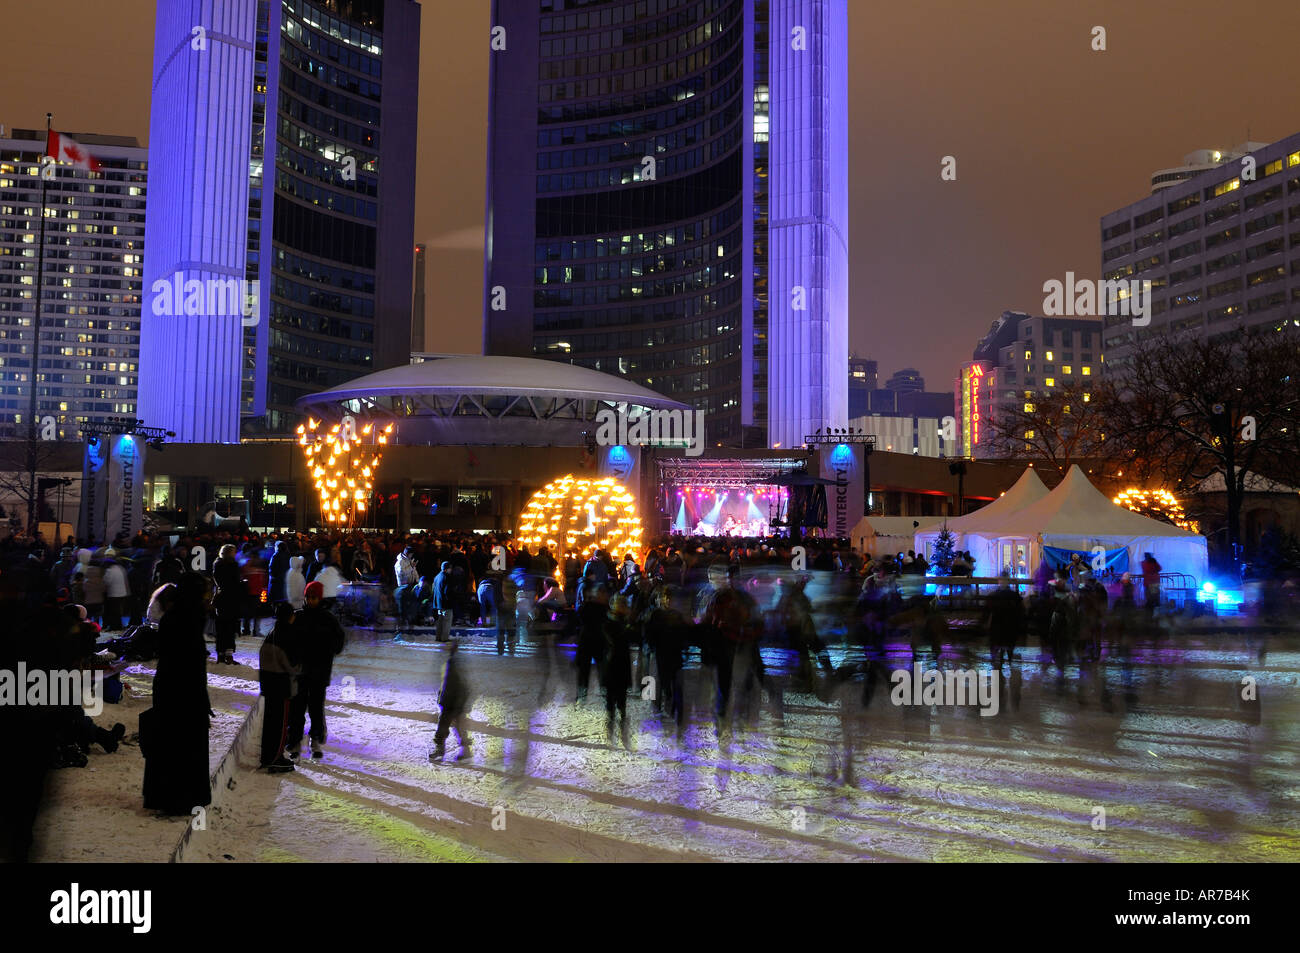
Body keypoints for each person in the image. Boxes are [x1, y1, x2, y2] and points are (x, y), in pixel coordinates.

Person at [141, 572, 213, 815]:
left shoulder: (182, 616)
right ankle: (178, 799)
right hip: (183, 692)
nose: (207, 599)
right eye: (204, 594)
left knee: (174, 745)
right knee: (181, 745)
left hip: (174, 689)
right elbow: (188, 662)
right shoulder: (186, 618)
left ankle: (173, 797)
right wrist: (200, 697)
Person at [286, 581, 346, 759]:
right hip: (300, 671)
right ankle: (295, 739)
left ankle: (316, 738)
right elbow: (289, 640)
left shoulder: (328, 619)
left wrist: (329, 650)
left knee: (316, 707)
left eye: (314, 597)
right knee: (297, 706)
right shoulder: (298, 617)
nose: (310, 600)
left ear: (319, 598)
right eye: (308, 597)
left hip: (319, 671)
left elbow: (339, 640)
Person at [258, 602, 300, 773]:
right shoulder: (288, 634)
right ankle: (276, 758)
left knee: (270, 723)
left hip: (268, 684)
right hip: (281, 685)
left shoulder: (272, 633)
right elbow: (293, 664)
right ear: (291, 616)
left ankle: (268, 756)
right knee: (280, 724)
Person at [430, 639, 472, 761]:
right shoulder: (452, 661)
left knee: (444, 726)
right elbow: (446, 682)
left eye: (448, 646)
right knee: (457, 726)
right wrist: (441, 695)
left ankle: (441, 750)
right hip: (450, 700)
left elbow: (458, 684)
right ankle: (464, 751)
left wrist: (457, 702)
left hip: (452, 702)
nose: (444, 648)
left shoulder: (454, 663)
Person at [602, 593, 634, 747]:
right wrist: (627, 626)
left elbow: (635, 637)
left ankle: (623, 733)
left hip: (623, 666)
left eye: (623, 604)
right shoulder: (607, 622)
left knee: (622, 703)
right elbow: (614, 640)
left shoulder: (626, 622)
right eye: (619, 604)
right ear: (613, 605)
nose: (622, 607)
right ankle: (610, 733)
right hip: (611, 666)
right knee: (610, 703)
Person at [983, 576, 1026, 670]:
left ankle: (996, 663)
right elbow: (1021, 611)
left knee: (996, 644)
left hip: (997, 624)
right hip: (1010, 624)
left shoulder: (993, 596)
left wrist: (985, 623)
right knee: (1009, 644)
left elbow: (986, 611)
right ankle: (1008, 661)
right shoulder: (1014, 596)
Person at [211, 544, 241, 665]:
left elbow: (218, 581)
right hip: (231, 598)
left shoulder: (217, 564)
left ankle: (220, 653)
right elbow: (235, 582)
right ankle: (228, 654)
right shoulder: (233, 565)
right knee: (229, 626)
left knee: (221, 627)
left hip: (221, 598)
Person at [394, 545, 420, 630]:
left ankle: (409, 623)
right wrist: (411, 567)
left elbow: (414, 571)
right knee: (403, 607)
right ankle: (402, 625)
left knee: (411, 606)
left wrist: (418, 580)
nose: (412, 556)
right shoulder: (400, 562)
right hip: (403, 587)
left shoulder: (409, 561)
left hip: (410, 585)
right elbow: (403, 573)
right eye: (411, 554)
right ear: (407, 553)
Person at [1141, 552, 1162, 616]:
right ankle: (1154, 614)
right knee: (1154, 599)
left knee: (1150, 599)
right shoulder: (1153, 562)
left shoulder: (1144, 563)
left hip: (1148, 583)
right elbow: (1159, 568)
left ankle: (1149, 614)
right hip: (1154, 583)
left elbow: (1145, 569)